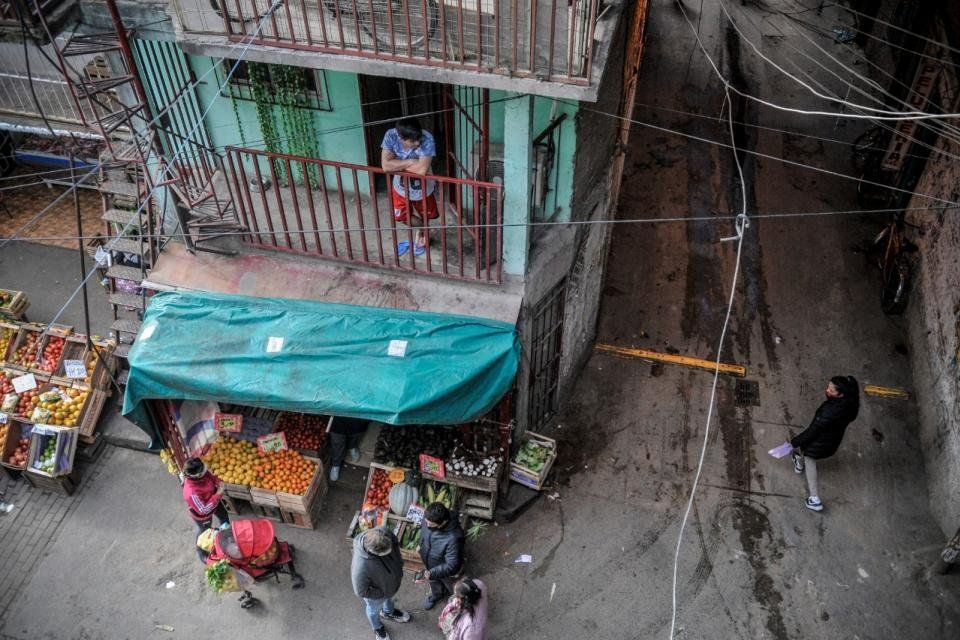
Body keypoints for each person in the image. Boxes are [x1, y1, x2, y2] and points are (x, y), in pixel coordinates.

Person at [791, 375, 860, 512]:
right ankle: (799, 463)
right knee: (806, 451)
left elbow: (812, 431)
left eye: (831, 389)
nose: (827, 390)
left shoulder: (829, 412)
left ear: (840, 394)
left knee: (810, 457)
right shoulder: (850, 405)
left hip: (820, 442)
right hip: (832, 440)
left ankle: (814, 499)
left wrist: (794, 442)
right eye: (828, 386)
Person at [380, 118, 438, 257]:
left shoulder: (427, 138)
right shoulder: (391, 136)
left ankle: (422, 233)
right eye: (412, 141)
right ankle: (423, 228)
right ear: (401, 138)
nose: (417, 143)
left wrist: (398, 163)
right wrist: (411, 161)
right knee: (401, 216)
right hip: (401, 186)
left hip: (423, 187)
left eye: (418, 139)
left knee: (426, 213)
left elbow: (422, 170)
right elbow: (385, 166)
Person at [351, 527, 411, 640]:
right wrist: (381, 593)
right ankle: (377, 627)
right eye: (385, 553)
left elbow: (395, 543)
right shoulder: (360, 566)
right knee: (373, 610)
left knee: (390, 599)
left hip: (389, 586)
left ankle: (388, 612)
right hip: (378, 594)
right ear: (374, 552)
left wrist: (399, 562)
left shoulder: (385, 533)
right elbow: (360, 591)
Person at [181, 457, 230, 562]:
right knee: (205, 531)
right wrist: (217, 495)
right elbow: (203, 509)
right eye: (202, 471)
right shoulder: (191, 492)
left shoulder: (202, 472)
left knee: (224, 516)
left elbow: (210, 476)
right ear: (197, 475)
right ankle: (201, 552)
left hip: (214, 501)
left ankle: (227, 536)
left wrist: (218, 482)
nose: (205, 471)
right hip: (203, 514)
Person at [418, 502, 465, 610]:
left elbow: (452, 564)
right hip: (430, 563)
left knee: (452, 587)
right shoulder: (428, 518)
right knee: (434, 582)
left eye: (431, 524)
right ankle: (436, 595)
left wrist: (432, 572)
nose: (427, 525)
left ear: (443, 522)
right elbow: (423, 532)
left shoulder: (454, 538)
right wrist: (420, 544)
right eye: (426, 522)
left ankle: (454, 601)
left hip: (445, 570)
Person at [329, 416, 369, 482]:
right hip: (339, 412)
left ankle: (352, 446)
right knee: (337, 439)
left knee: (356, 430)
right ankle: (336, 464)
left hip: (358, 412)